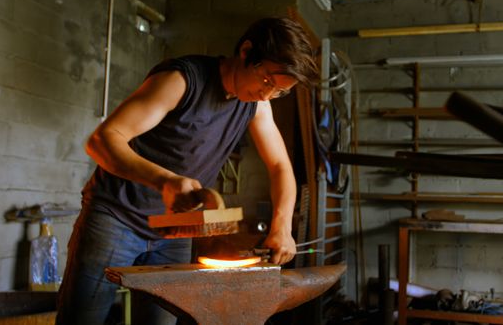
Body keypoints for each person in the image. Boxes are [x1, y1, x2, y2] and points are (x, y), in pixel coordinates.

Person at [56, 17, 319, 325]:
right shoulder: (182, 80)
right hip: (116, 217)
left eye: (279, 92)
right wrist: (164, 180)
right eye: (267, 82)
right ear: (247, 52)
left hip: (175, 230)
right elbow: (103, 140)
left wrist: (282, 227)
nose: (267, 95)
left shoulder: (257, 105)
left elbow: (279, 167)